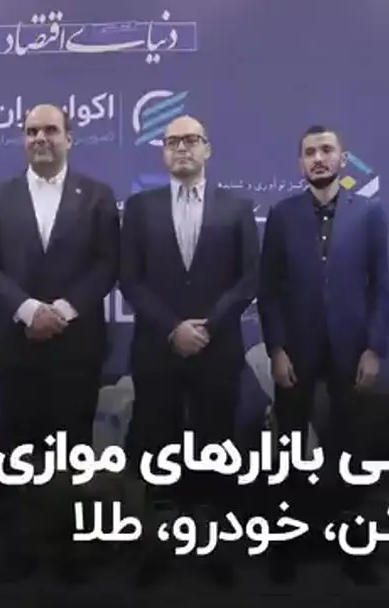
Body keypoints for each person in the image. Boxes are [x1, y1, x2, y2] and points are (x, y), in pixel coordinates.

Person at [0, 103, 120, 582]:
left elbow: (108, 264)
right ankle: (23, 544)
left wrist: (63, 311)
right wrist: (29, 310)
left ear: (68, 138)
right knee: (20, 449)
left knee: (73, 450)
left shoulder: (97, 196)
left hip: (78, 346)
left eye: (50, 130)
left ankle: (69, 548)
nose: (40, 138)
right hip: (16, 345)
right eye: (31, 130)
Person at [119, 115, 259, 587]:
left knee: (213, 446)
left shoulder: (237, 207)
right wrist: (172, 328)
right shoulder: (140, 208)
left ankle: (210, 548)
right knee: (158, 448)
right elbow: (130, 278)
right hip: (158, 350)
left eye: (191, 140)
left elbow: (249, 277)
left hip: (217, 349)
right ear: (163, 152)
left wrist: (207, 326)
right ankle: (158, 547)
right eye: (172, 141)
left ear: (207, 149)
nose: (181, 148)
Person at [257, 125, 389, 585]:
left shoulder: (369, 213)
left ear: (342, 159)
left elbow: (381, 287)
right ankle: (285, 549)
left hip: (352, 351)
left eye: (326, 150)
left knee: (350, 450)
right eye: (310, 152)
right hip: (295, 351)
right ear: (300, 163)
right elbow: (269, 290)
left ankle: (354, 549)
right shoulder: (282, 215)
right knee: (288, 451)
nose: (318, 158)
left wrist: (375, 348)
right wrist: (275, 348)